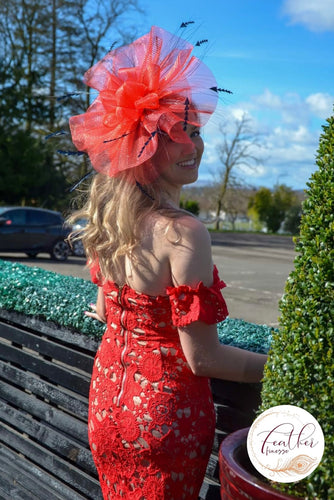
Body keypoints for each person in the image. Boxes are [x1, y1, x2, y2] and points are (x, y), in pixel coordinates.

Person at [69, 26, 267, 500]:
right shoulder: (183, 232)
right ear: (144, 144)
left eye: (196, 132)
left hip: (107, 407)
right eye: (179, 134)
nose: (194, 146)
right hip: (164, 422)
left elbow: (106, 308)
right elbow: (204, 357)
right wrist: (284, 364)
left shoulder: (108, 221)